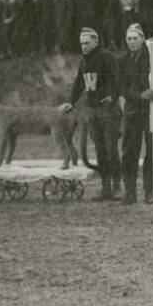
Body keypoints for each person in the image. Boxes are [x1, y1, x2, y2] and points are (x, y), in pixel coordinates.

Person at [59, 27, 122, 201]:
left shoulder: (107, 57)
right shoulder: (84, 62)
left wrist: (113, 96)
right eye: (81, 43)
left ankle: (117, 187)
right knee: (100, 150)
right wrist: (70, 102)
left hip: (108, 110)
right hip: (93, 110)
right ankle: (105, 188)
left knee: (111, 149)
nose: (84, 46)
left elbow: (118, 79)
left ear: (96, 41)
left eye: (87, 43)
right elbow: (79, 83)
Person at [117, 23, 153, 205]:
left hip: (151, 111)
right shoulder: (122, 60)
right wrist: (139, 95)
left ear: (142, 39)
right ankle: (130, 192)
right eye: (129, 39)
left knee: (151, 151)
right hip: (133, 110)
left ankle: (149, 191)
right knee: (129, 152)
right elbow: (121, 87)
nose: (132, 42)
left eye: (135, 38)